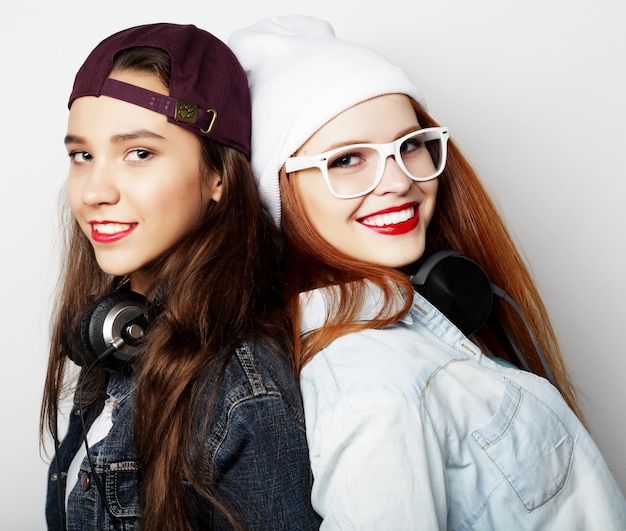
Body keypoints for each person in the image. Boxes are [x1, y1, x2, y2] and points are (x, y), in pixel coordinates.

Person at [228, 15, 626, 530]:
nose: (399, 180)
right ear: (278, 193)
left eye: (409, 144)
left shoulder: (408, 334)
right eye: (348, 159)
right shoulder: (373, 388)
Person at [39, 22, 321, 531]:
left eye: (139, 153)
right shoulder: (121, 333)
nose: (93, 191)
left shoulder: (243, 390)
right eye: (82, 155)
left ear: (217, 175)